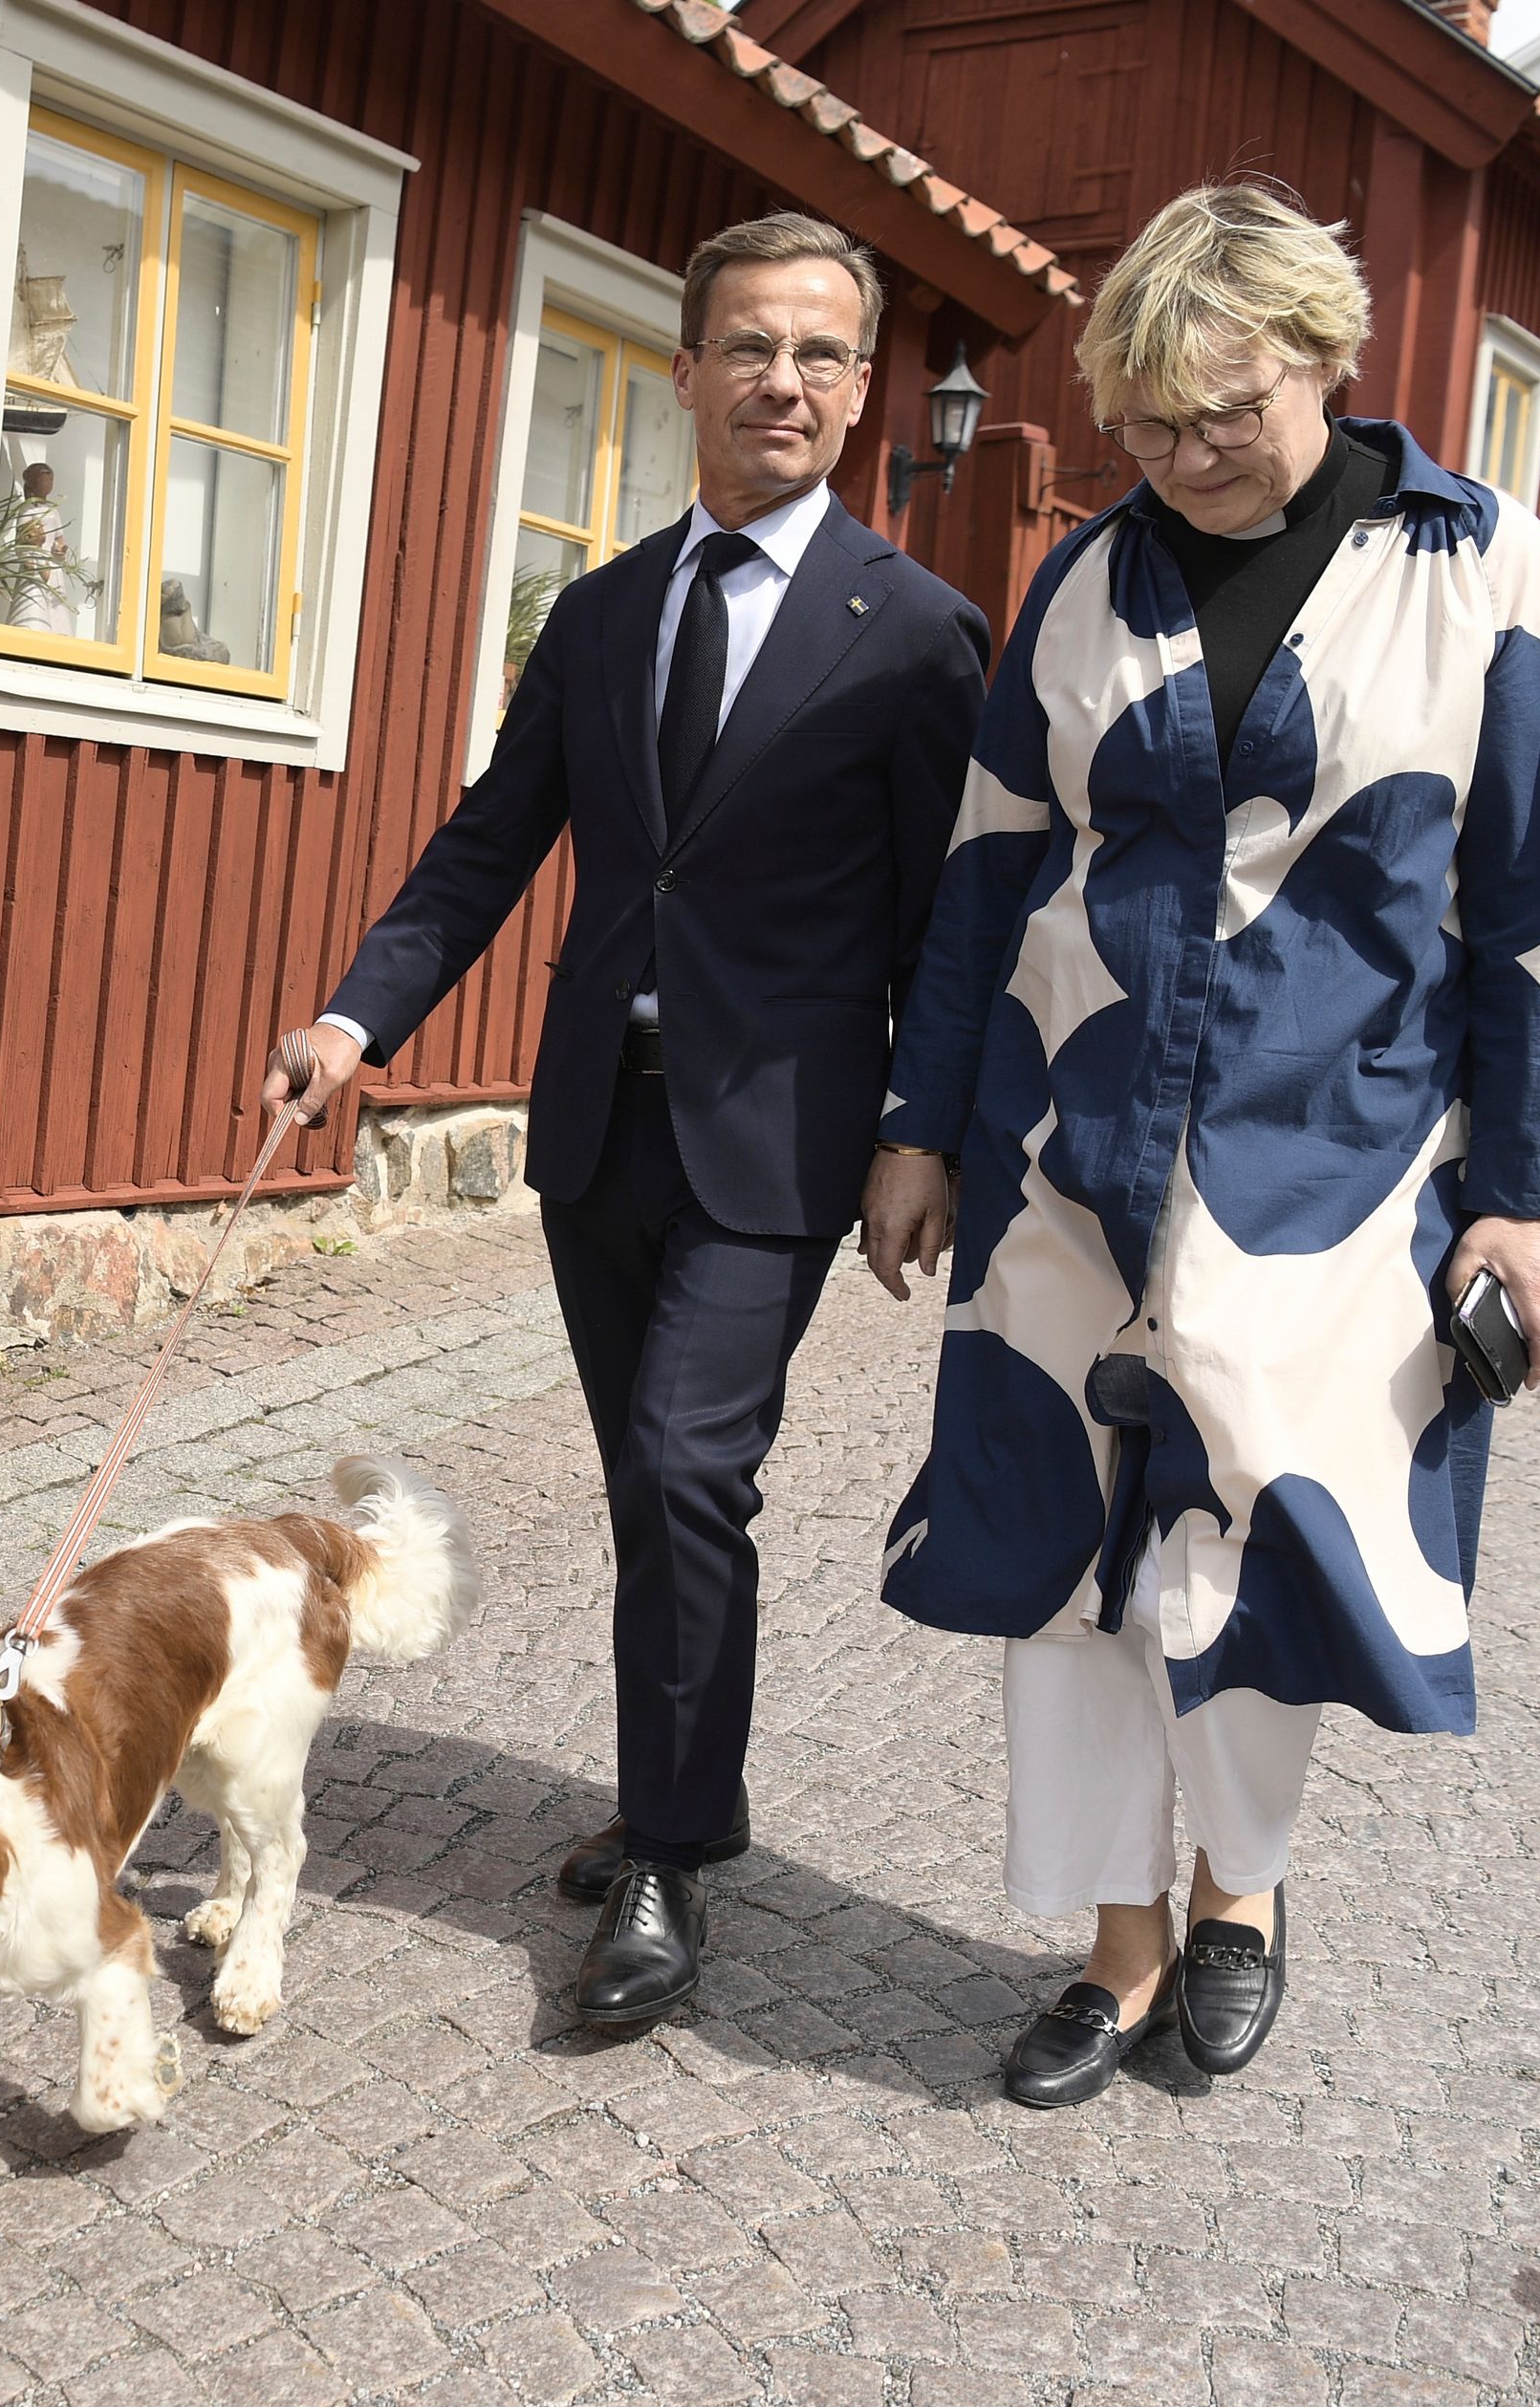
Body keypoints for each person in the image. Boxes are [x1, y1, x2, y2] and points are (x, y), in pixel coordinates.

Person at [857, 185, 1540, 2107]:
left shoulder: (1476, 562)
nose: (1189, 459)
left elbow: (1525, 901)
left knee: (1267, 1530)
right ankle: (1112, 1949)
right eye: (1150, 425)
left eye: (1230, 412)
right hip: (1068, 1137)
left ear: (1326, 359)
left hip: (1335, 1167)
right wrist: (924, 1126)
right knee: (1064, 1542)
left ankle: (1241, 1895)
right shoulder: (1086, 584)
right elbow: (985, 868)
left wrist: (1534, 1192)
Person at [263, 214, 989, 2029]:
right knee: (651, 1488)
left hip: (783, 1140)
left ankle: (664, 1855)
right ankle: (693, 1793)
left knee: (684, 1468)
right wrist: (357, 1019)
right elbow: (491, 841)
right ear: (685, 370)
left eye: (823, 354)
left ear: (860, 388)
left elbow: (945, 917)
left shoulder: (912, 634)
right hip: (598, 1122)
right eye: (751, 346)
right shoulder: (598, 613)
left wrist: (926, 1130)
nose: (787, 383)